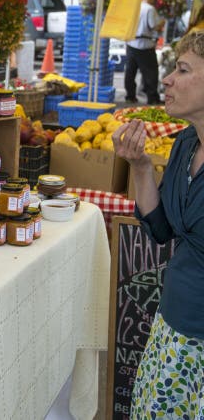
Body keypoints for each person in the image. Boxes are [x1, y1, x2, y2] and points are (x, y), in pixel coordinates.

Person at [113, 29, 204, 418]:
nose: (166, 79)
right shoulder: (186, 143)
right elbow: (163, 229)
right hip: (171, 330)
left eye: (182, 69)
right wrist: (140, 166)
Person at [124, 0, 166, 104]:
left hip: (131, 43)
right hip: (144, 45)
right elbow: (153, 26)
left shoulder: (134, 8)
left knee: (130, 72)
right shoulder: (150, 9)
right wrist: (161, 23)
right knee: (150, 73)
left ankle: (130, 96)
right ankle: (152, 98)